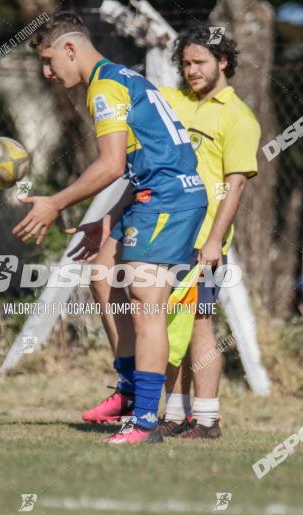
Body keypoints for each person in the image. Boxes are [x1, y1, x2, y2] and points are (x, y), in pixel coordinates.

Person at [15, 12, 207, 444]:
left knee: (147, 306)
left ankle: (145, 422)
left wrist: (55, 203)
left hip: (169, 200)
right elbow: (141, 162)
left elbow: (110, 164)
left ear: (70, 49)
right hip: (151, 194)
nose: (47, 72)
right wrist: (104, 220)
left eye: (49, 61)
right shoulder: (119, 77)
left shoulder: (104, 87)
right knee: (103, 274)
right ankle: (128, 389)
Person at [81, 26, 262, 440]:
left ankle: (207, 417)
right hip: (156, 221)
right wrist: (112, 217)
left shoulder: (238, 117)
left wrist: (216, 239)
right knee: (157, 316)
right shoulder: (171, 102)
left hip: (203, 237)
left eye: (200, 62)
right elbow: (147, 166)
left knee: (197, 324)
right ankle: (171, 413)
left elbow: (235, 185)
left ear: (224, 62)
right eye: (185, 63)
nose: (191, 70)